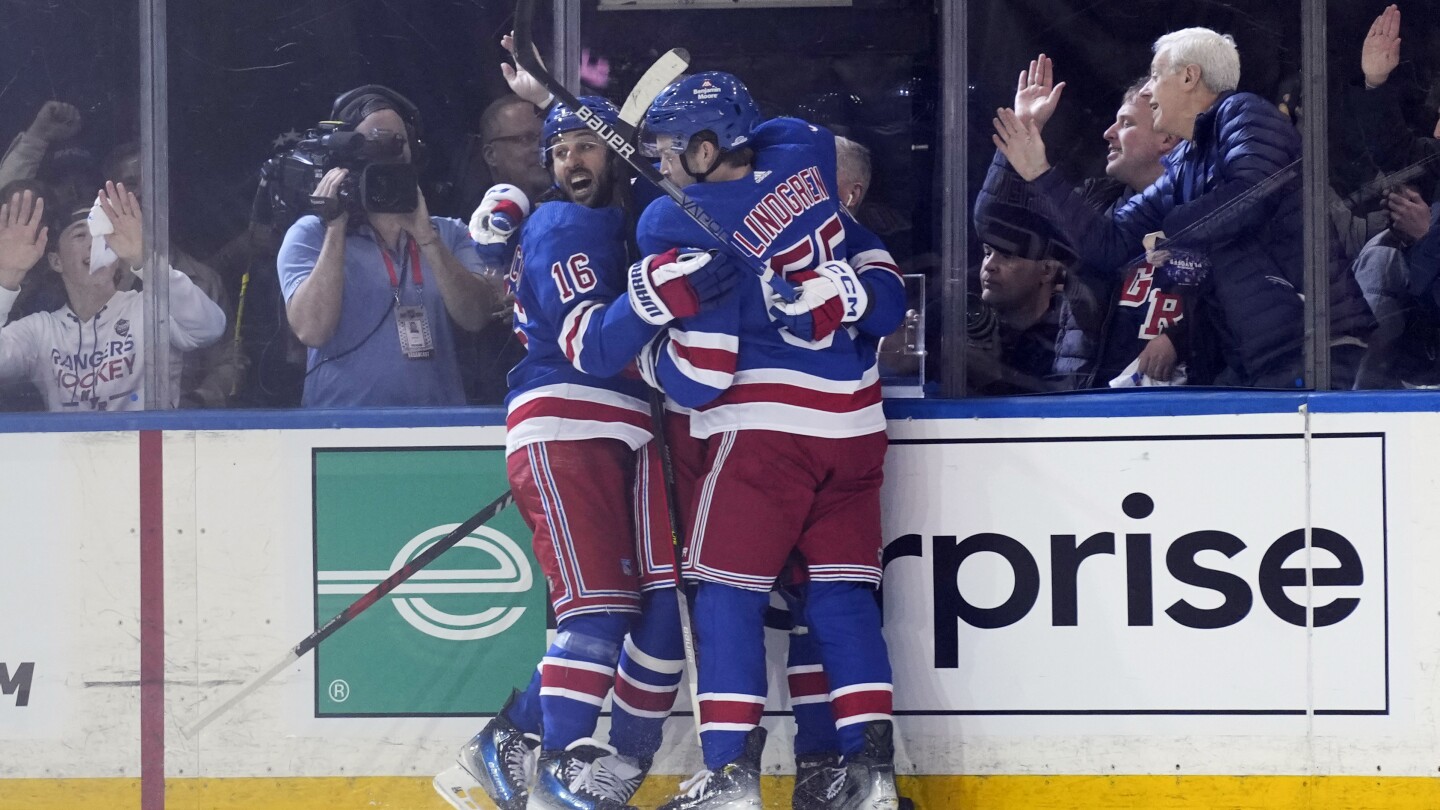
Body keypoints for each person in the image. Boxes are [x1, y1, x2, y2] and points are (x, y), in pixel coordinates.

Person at [445, 94, 732, 810]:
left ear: (617, 155)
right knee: (598, 611)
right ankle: (555, 770)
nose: (573, 160)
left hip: (623, 433)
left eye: (587, 146)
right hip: (568, 426)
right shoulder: (563, 224)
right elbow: (590, 345)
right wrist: (664, 292)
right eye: (561, 149)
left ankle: (582, 760)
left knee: (661, 608)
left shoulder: (614, 225)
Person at [634, 71, 907, 810]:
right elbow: (782, 133)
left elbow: (706, 373)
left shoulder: (667, 222)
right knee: (845, 599)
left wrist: (650, 359)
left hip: (766, 432)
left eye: (668, 144)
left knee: (726, 598)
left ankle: (728, 777)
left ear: (704, 145)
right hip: (855, 424)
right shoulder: (807, 160)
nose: (657, 158)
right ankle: (872, 775)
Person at [991, 28, 1374, 388]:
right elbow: (1106, 244)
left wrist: (1170, 237)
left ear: (1190, 77)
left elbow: (1249, 196)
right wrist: (1037, 172)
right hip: (1261, 363)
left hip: (1321, 351)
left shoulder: (1244, 112)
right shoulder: (1184, 167)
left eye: (1156, 76)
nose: (1149, 91)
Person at [276, 85, 502, 407]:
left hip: (440, 429)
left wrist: (427, 239)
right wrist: (336, 227)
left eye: (397, 143)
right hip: (338, 434)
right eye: (372, 145)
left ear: (415, 152)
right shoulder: (311, 234)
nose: (387, 155)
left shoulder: (449, 233)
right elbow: (312, 331)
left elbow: (476, 317)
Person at [0, 184, 225, 410]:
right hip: (72, 446)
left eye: (102, 235)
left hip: (148, 444)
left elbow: (210, 328)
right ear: (56, 261)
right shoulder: (41, 331)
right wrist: (5, 278)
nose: (95, 243)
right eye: (80, 235)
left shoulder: (149, 309)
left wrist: (144, 260)